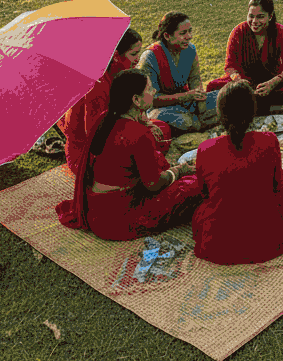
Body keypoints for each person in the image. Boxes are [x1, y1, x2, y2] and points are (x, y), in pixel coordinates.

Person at [55, 69, 201, 241]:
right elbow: (153, 184)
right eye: (149, 89)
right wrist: (178, 171)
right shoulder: (138, 134)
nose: (154, 91)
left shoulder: (106, 118)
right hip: (119, 220)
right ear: (136, 100)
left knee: (160, 159)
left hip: (95, 211)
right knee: (196, 185)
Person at [191, 80, 283, 265]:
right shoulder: (269, 140)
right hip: (269, 241)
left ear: (220, 113)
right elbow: (275, 185)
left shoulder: (205, 149)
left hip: (219, 245)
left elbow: (203, 193)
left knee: (200, 211)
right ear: (252, 112)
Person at [57, 29, 170, 177]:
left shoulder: (122, 73)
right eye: (133, 54)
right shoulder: (97, 85)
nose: (137, 59)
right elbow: (95, 136)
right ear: (116, 55)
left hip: (115, 133)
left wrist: (145, 122)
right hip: (89, 154)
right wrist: (136, 130)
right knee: (144, 142)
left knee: (161, 129)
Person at [206, 0, 283, 114]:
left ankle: (250, 105)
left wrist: (273, 83)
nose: (254, 21)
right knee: (212, 87)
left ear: (270, 16)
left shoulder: (281, 32)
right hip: (244, 81)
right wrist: (238, 80)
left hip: (272, 80)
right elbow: (230, 66)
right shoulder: (238, 32)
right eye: (251, 16)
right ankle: (267, 106)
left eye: (260, 17)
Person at [137, 11, 219, 131]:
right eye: (183, 33)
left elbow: (194, 78)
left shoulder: (190, 49)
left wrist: (199, 98)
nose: (189, 36)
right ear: (167, 36)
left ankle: (200, 121)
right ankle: (204, 122)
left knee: (224, 96)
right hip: (163, 109)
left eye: (190, 31)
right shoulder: (150, 57)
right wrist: (185, 96)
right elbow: (152, 100)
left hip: (188, 102)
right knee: (172, 119)